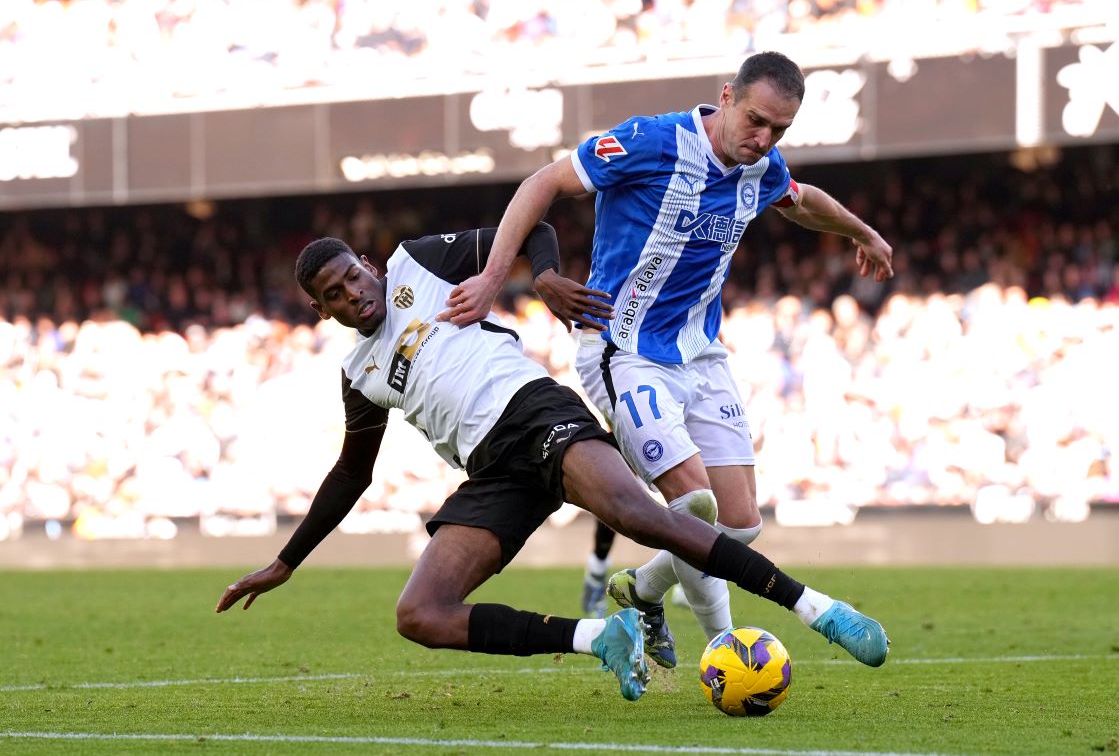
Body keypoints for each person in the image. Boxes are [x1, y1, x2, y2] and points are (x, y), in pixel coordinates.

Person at [215, 223, 888, 707]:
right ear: (320, 308)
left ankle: (817, 608)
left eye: (354, 277)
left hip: (533, 412)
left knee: (636, 515)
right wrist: (287, 560)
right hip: (491, 471)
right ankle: (602, 635)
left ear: (368, 264)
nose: (354, 294)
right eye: (335, 293)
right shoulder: (358, 372)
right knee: (420, 613)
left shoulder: (417, 264)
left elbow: (530, 222)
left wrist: (540, 275)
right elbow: (351, 474)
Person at [437, 51, 894, 669]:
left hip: (701, 356)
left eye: (779, 131)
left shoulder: (760, 167)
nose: (763, 140)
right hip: (623, 351)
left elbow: (801, 199)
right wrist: (497, 277)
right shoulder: (651, 141)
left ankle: (644, 590)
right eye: (756, 121)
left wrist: (861, 233)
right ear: (726, 97)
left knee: (739, 525)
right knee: (695, 506)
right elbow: (543, 181)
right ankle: (727, 651)